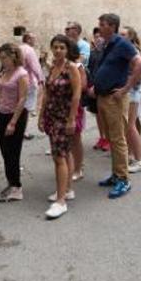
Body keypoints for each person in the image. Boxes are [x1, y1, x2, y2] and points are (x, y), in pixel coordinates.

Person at [91, 13, 141, 198]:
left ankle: (123, 179)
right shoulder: (106, 44)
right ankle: (116, 174)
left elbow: (139, 64)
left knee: (118, 138)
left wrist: (125, 89)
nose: (99, 27)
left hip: (115, 98)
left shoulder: (122, 44)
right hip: (103, 96)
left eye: (102, 24)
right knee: (112, 138)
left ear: (112, 26)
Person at [38, 35, 82, 219]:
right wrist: (41, 115)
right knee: (65, 153)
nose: (58, 51)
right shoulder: (53, 67)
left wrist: (72, 119)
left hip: (63, 118)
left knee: (59, 157)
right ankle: (67, 190)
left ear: (67, 50)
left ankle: (61, 201)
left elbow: (76, 95)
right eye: (55, 47)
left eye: (62, 47)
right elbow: (47, 93)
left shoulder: (70, 68)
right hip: (52, 116)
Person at [0, 43, 29, 202]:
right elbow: (0, 93)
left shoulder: (21, 74)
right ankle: (11, 182)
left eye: (4, 57)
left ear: (13, 56)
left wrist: (13, 122)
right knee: (4, 150)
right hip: (2, 113)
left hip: (16, 115)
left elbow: (23, 98)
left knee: (13, 151)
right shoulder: (4, 71)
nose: (2, 61)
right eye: (0, 58)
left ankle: (17, 187)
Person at [63, 22, 88, 180]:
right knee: (66, 138)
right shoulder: (61, 65)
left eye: (63, 48)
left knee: (75, 137)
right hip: (61, 106)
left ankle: (78, 168)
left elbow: (83, 86)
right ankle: (70, 166)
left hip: (74, 105)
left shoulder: (77, 66)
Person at [119, 26, 141, 173]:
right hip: (127, 92)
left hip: (132, 92)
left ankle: (139, 160)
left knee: (130, 126)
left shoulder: (133, 50)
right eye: (120, 34)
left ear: (131, 36)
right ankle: (129, 155)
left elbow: (139, 72)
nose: (120, 37)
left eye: (124, 34)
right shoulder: (125, 50)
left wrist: (127, 86)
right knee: (127, 127)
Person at [19, 32, 45, 141]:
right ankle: (23, 131)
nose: (35, 41)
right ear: (28, 39)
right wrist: (41, 79)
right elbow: (35, 67)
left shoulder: (18, 48)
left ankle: (18, 128)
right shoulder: (29, 50)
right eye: (33, 38)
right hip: (28, 82)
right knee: (26, 108)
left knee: (19, 105)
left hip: (17, 81)